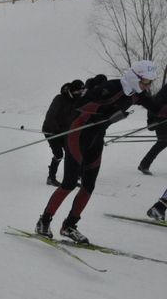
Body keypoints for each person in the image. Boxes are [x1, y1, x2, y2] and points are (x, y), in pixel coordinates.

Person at [35, 61, 167, 244]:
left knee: (89, 186)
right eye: (145, 82)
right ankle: (44, 221)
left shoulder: (137, 95)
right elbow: (81, 104)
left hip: (96, 138)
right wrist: (107, 113)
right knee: (69, 183)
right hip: (78, 135)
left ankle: (69, 226)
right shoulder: (111, 87)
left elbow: (158, 109)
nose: (147, 86)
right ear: (135, 77)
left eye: (150, 83)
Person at [41, 79, 85, 186]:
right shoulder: (59, 99)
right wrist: (56, 130)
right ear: (72, 91)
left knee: (72, 153)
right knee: (59, 154)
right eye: (78, 92)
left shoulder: (77, 100)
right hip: (51, 130)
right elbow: (50, 116)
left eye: (81, 92)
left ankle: (73, 178)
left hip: (65, 131)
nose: (79, 94)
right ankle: (51, 178)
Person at [138, 82, 167, 175]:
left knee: (162, 143)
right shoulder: (163, 94)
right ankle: (144, 165)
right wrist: (151, 122)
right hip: (160, 122)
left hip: (162, 121)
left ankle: (144, 164)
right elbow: (155, 107)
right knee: (162, 142)